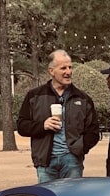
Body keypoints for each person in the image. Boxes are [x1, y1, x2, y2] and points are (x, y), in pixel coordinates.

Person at [16, 50, 100, 182]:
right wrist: (42, 125)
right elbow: (22, 126)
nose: (68, 72)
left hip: (72, 161)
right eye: (63, 68)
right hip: (45, 163)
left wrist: (80, 148)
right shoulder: (34, 96)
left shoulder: (83, 99)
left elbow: (93, 131)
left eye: (70, 67)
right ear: (51, 71)